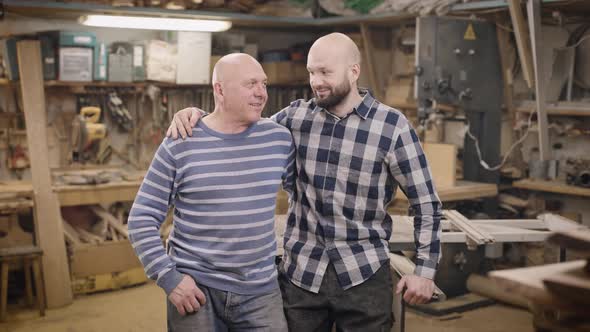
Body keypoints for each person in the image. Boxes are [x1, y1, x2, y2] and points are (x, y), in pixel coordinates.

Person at [167, 33, 442, 331]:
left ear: (354, 71)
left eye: (325, 72)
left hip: (364, 275)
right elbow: (240, 125)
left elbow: (426, 203)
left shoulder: (392, 127)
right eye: (312, 72)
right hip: (301, 278)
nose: (316, 81)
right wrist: (198, 116)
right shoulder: (295, 118)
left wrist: (425, 271)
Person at [128, 53, 294, 331]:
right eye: (250, 84)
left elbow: (306, 195)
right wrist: (169, 279)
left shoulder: (278, 138)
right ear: (219, 89)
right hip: (195, 289)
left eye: (263, 84)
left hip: (261, 291)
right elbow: (141, 219)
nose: (261, 93)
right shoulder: (181, 142)